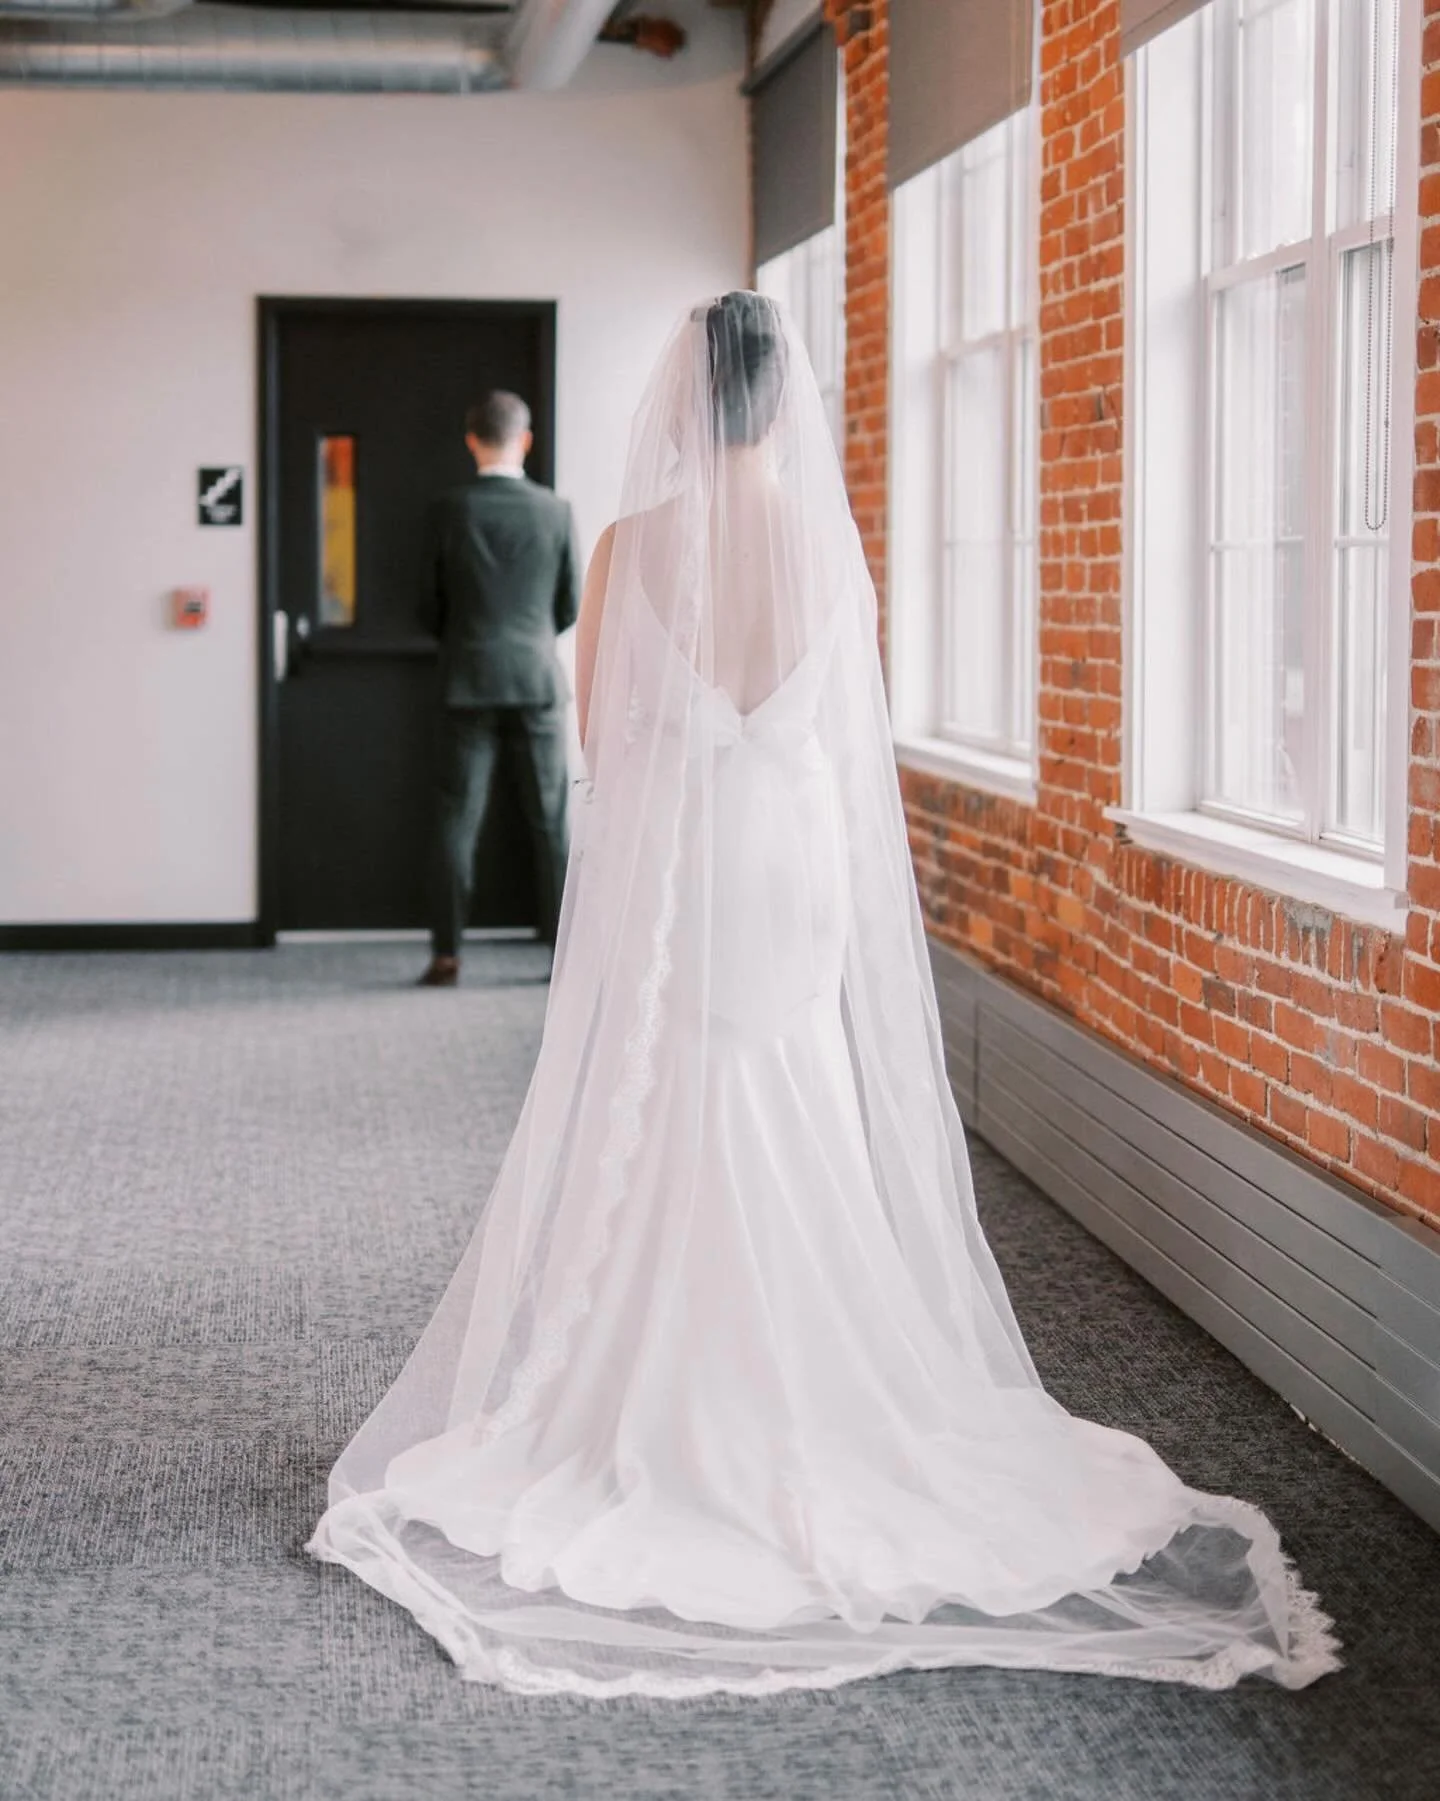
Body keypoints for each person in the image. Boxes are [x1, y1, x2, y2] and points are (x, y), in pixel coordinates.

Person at [308, 295, 1339, 1698]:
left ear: (682, 403)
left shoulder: (628, 545)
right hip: (792, 873)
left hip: (692, 868)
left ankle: (669, 1397)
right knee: (791, 1096)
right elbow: (851, 746)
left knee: (681, 1101)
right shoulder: (828, 548)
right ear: (783, 401)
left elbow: (605, 738)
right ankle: (822, 1379)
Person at [417, 391, 581, 988]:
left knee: (456, 821)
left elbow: (426, 605)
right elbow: (570, 604)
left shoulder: (448, 511)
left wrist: (466, 641)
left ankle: (446, 955)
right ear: (526, 440)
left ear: (471, 440)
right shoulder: (556, 511)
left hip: (466, 681)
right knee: (551, 823)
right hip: (537, 680)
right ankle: (563, 960)